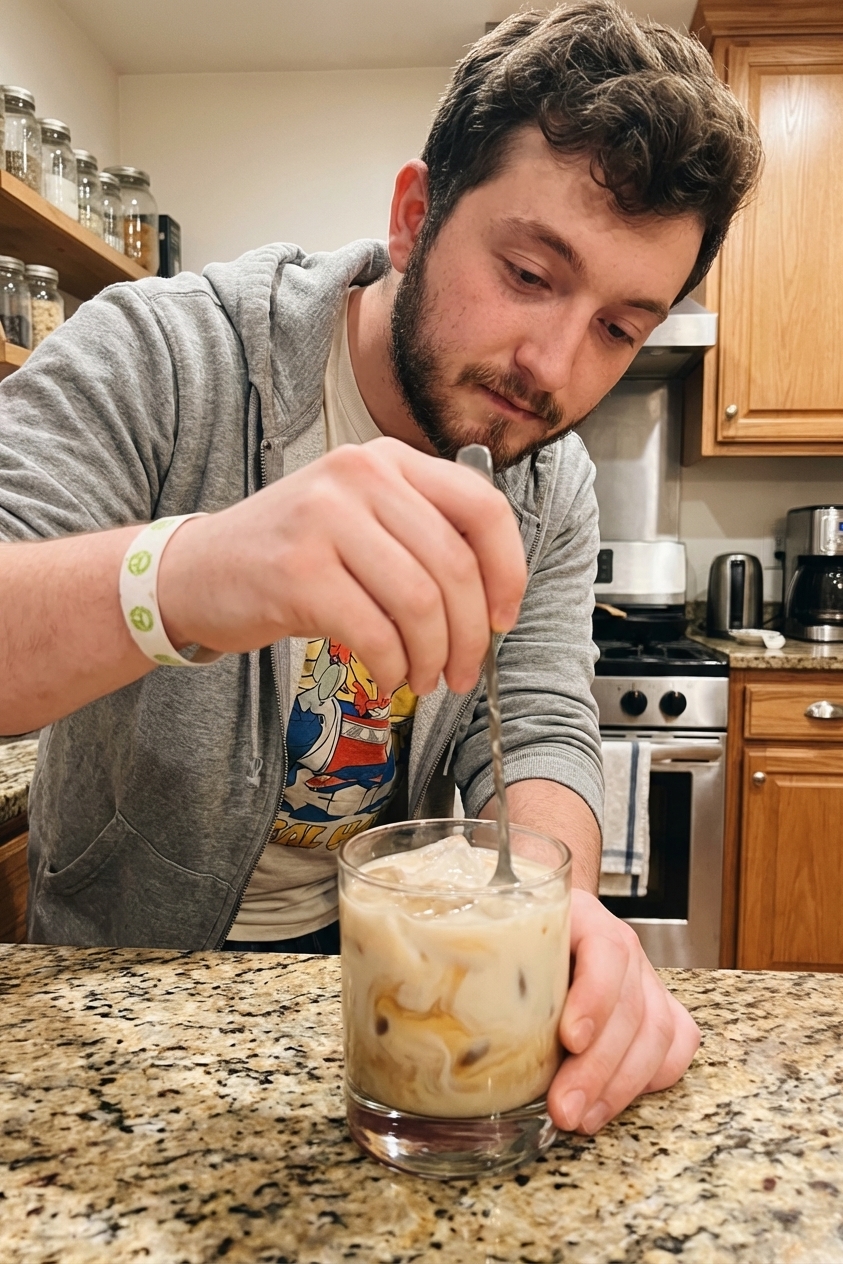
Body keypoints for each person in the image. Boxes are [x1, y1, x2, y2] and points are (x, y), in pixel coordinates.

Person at [0, 0, 760, 1136]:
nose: (554, 366)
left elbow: (545, 719)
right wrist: (195, 571)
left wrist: (561, 904)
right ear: (415, 216)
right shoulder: (160, 353)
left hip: (393, 996)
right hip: (121, 983)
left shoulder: (547, 475)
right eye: (528, 273)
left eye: (619, 328)